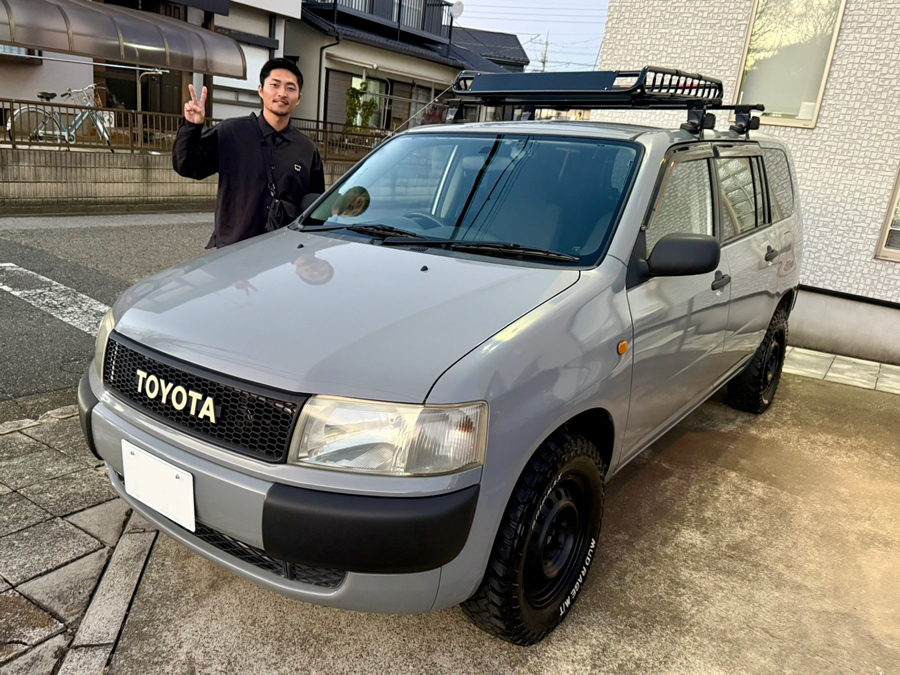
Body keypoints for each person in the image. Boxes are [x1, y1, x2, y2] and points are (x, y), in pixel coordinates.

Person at [173, 58, 325, 248]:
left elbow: (315, 205)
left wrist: (307, 253)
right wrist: (191, 127)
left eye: (290, 88)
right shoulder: (231, 131)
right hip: (234, 248)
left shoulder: (307, 149)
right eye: (275, 85)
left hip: (285, 252)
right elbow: (188, 166)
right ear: (261, 90)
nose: (282, 93)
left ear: (299, 98)